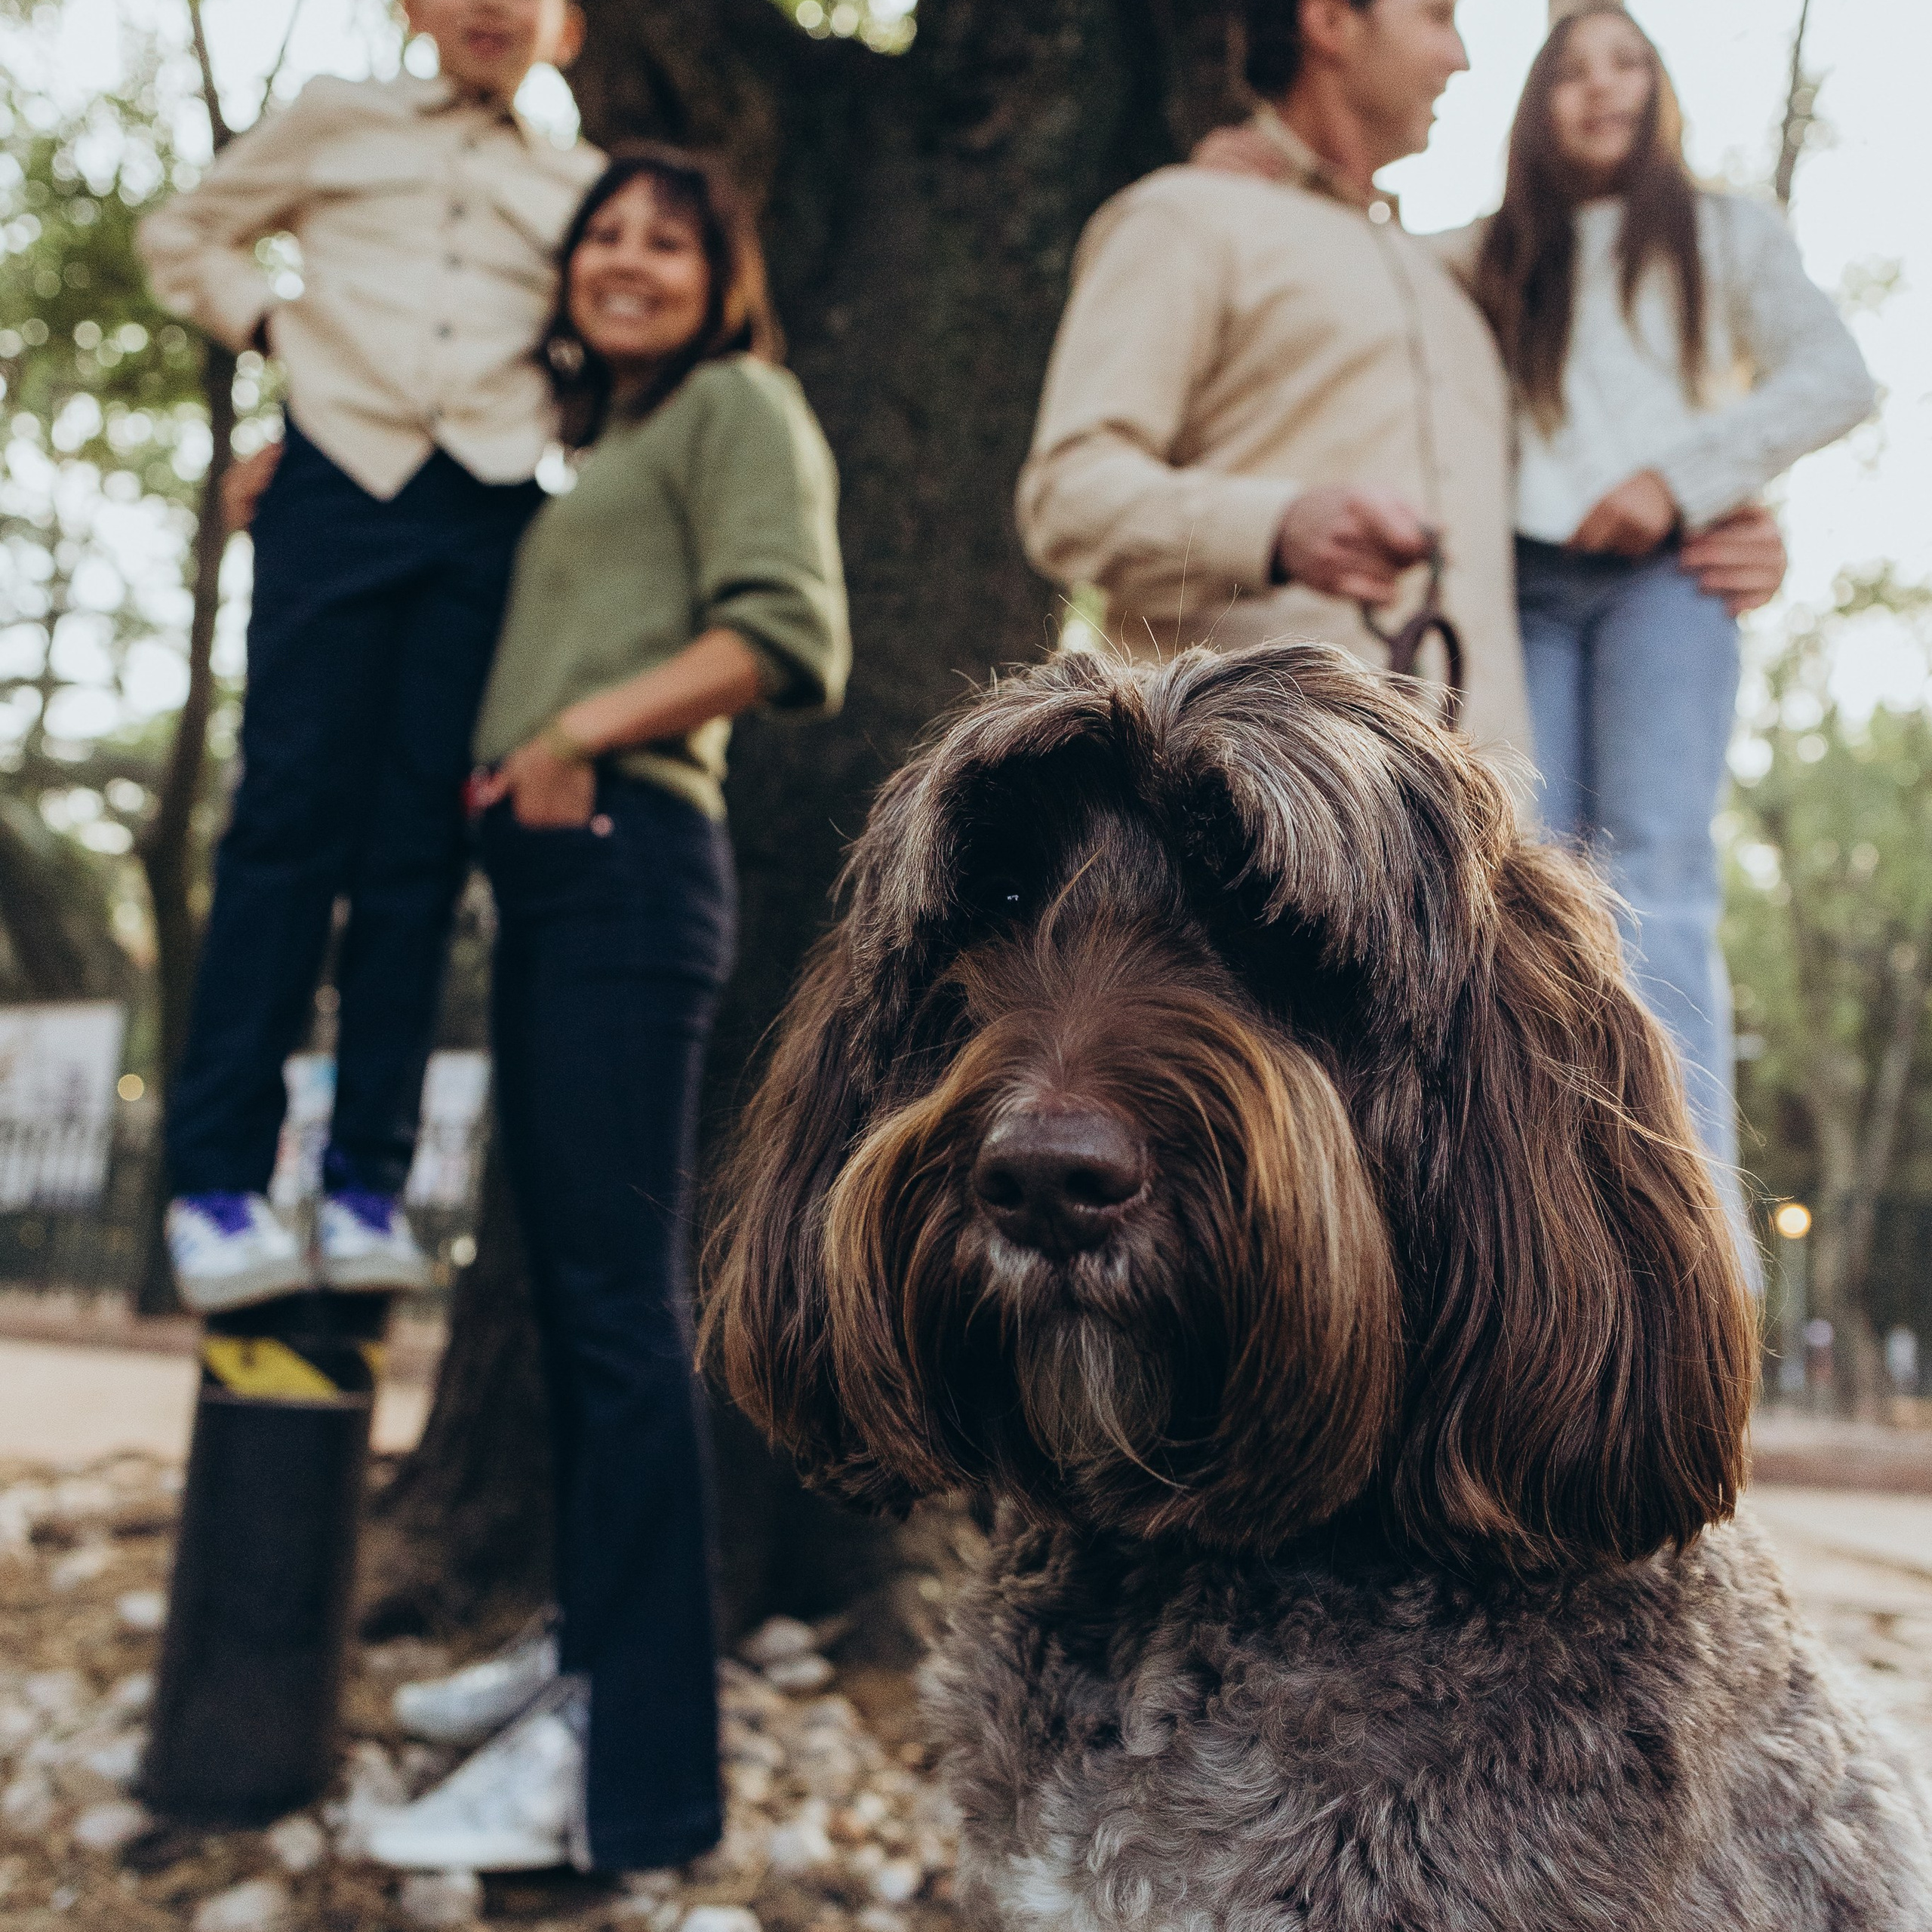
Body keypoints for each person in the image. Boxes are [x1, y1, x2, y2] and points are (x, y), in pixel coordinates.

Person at [362, 146, 850, 1876]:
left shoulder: (737, 404)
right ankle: (584, 1657)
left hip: (635, 849)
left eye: (669, 237)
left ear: (723, 274)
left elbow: (791, 631)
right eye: (605, 235)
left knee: (625, 1314)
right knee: (577, 1308)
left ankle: (629, 1777)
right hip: (559, 874)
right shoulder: (606, 448)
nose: (627, 259)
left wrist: (576, 736)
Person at [137, 0, 601, 1310]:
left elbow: (596, 346)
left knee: (421, 841)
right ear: (411, 7)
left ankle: (364, 1183)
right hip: (335, 486)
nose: (492, 8)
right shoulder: (337, 118)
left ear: (564, 23)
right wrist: (277, 332)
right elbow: (181, 232)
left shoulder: (576, 183)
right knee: (286, 818)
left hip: (491, 511)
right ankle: (216, 1181)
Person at [1020, 0, 1792, 771]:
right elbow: (1067, 496)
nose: (1459, 58)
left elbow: (1571, 458)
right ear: (1329, 21)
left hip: (1479, 829)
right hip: (1249, 807)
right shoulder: (1187, 219)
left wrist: (1705, 514)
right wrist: (1275, 527)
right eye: (1435, 18)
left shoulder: (1453, 278)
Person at [1447, 1, 1873, 1177]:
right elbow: (1352, 266)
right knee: (1513, 875)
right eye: (1573, 69)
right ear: (1538, 99)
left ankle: (1692, 1219)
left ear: (1661, 85)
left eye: (1627, 62)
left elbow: (1834, 376)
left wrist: (1679, 482)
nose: (1603, 88)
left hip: (1665, 588)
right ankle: (1531, 1199)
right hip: (1517, 588)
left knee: (1659, 877)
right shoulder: (1482, 251)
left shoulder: (1725, 233)